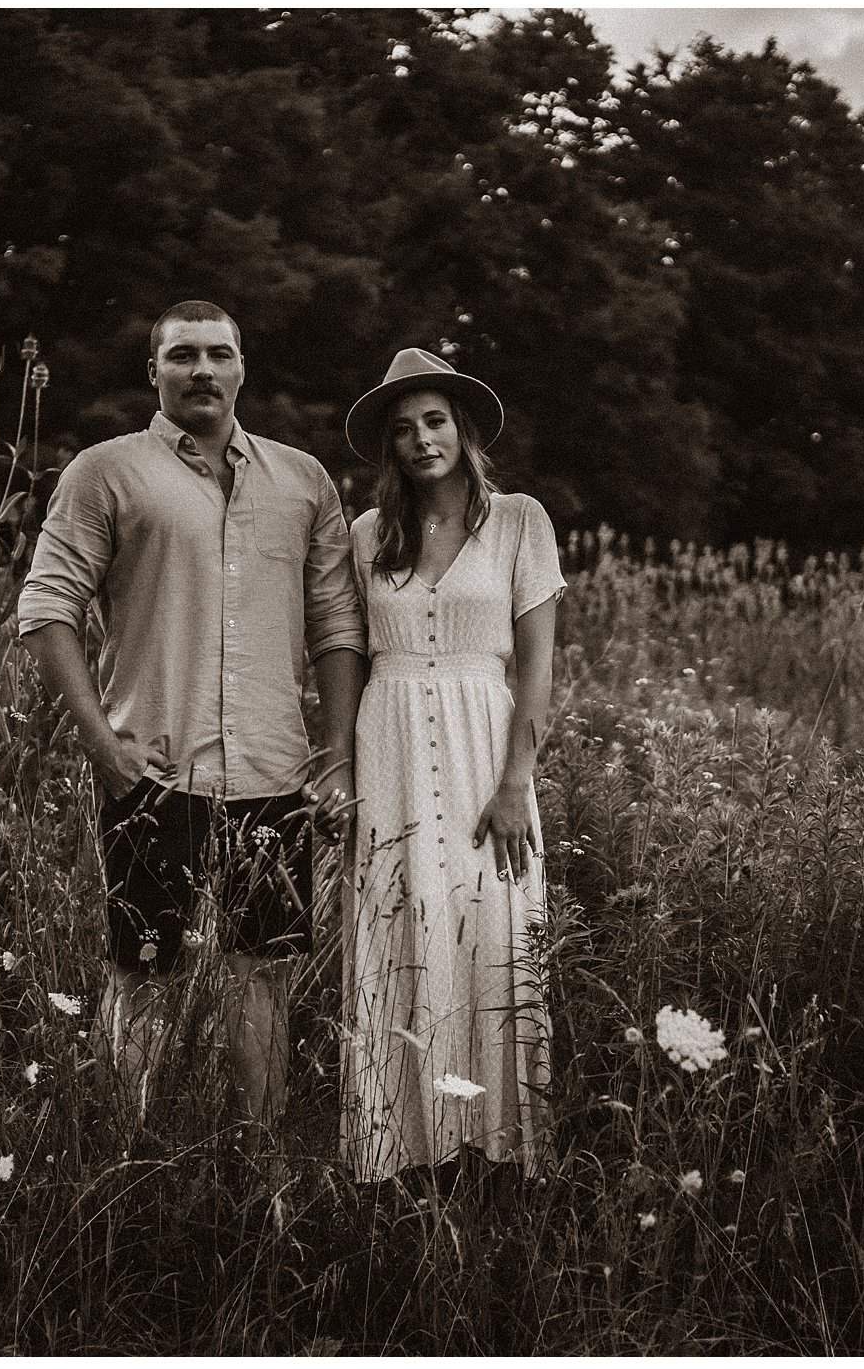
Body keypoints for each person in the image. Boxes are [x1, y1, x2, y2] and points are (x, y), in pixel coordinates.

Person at [17, 301, 367, 1155]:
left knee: (263, 976)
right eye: (182, 356)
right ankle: (129, 1154)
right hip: (152, 774)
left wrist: (340, 758)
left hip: (274, 774)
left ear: (244, 367)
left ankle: (264, 1160)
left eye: (219, 354)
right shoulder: (107, 472)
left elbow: (337, 627)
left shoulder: (302, 481)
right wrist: (106, 751)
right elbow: (47, 607)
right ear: (155, 373)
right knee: (144, 970)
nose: (202, 370)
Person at [338, 347, 564, 1190]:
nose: (420, 439)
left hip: (484, 747)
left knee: (494, 933)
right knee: (400, 930)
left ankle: (502, 1155)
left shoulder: (519, 521)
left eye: (433, 421)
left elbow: (536, 670)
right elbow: (349, 661)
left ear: (462, 429)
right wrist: (343, 775)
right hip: (388, 747)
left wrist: (516, 783)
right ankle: (404, 1152)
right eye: (403, 429)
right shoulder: (369, 536)